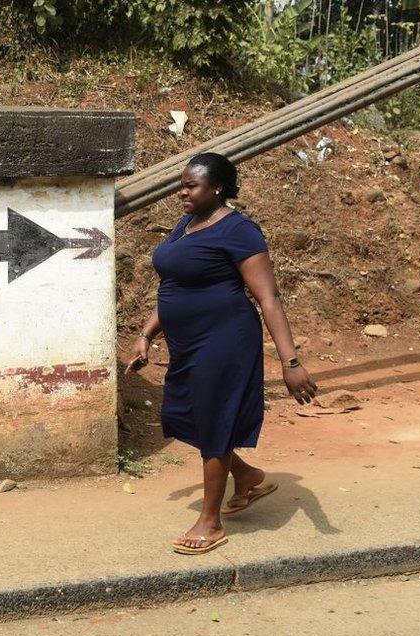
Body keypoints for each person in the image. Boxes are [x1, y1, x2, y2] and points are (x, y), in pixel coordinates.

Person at [130, 152, 318, 555]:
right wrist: (147, 333)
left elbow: (268, 298)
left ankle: (210, 522)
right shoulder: (187, 223)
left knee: (214, 418)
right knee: (186, 415)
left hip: (225, 339)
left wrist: (291, 362)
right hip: (187, 342)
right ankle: (247, 476)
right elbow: (176, 284)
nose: (182, 192)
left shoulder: (241, 231)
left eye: (191, 186)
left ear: (217, 188)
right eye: (181, 184)